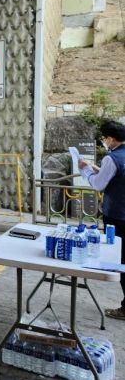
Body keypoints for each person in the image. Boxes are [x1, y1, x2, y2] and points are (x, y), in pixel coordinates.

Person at [79, 120, 125, 321]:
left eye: (105, 138)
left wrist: (85, 170)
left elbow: (98, 185)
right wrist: (97, 167)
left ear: (111, 139)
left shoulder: (112, 158)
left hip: (117, 215)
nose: (104, 142)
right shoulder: (117, 158)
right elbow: (117, 176)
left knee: (121, 260)